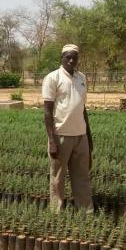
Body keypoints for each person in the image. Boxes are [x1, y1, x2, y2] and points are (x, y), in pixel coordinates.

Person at [41, 44, 93, 213]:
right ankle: (57, 213)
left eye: (74, 58)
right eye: (68, 57)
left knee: (82, 176)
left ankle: (86, 212)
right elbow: (47, 112)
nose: (71, 60)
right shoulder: (53, 78)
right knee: (58, 179)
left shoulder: (82, 78)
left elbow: (83, 109)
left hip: (80, 136)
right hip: (61, 136)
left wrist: (89, 138)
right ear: (61, 58)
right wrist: (51, 141)